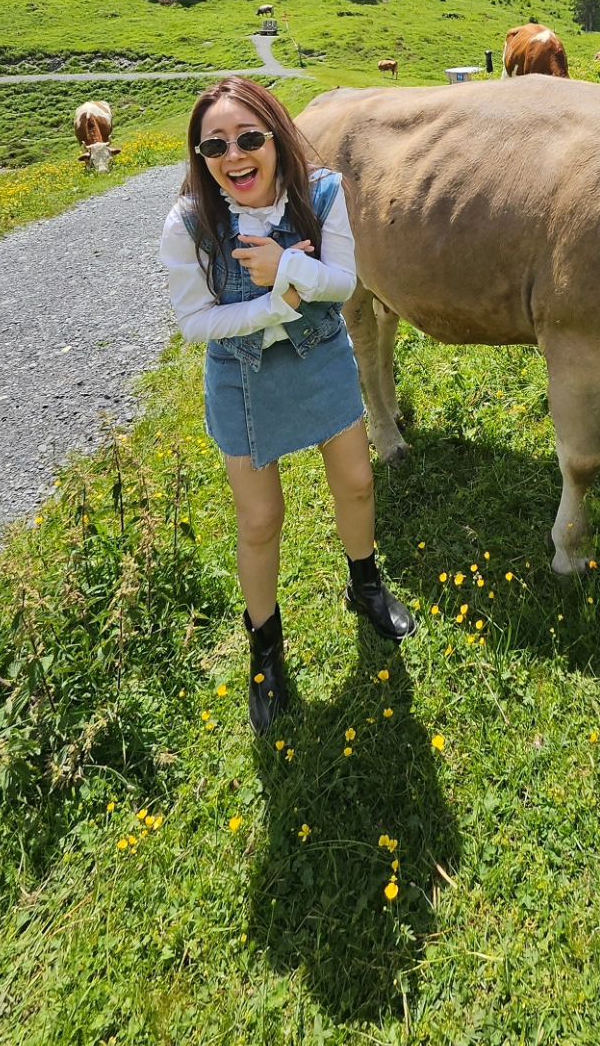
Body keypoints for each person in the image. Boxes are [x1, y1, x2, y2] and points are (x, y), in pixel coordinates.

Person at [158, 75, 416, 736]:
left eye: (249, 138)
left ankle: (365, 586)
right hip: (242, 380)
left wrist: (289, 269)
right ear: (199, 154)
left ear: (275, 137)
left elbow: (344, 282)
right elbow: (194, 322)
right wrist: (273, 305)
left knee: (358, 482)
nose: (234, 155)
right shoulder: (188, 223)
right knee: (260, 520)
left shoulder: (321, 194)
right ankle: (265, 651)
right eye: (215, 145)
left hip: (323, 358)